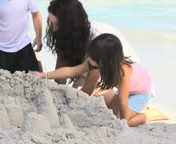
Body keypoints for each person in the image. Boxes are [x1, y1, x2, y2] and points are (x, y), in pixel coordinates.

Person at [36, 33, 168, 127]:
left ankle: (153, 114)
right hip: (126, 90)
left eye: (92, 56)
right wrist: (43, 75)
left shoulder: (123, 71)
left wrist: (125, 116)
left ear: (105, 61)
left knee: (125, 121)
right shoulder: (96, 62)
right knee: (110, 112)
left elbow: (123, 100)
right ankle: (139, 109)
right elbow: (70, 70)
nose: (88, 58)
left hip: (141, 91)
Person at [44, 0, 139, 87]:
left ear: (70, 25)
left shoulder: (98, 38)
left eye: (57, 24)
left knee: (78, 92)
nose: (54, 29)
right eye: (52, 24)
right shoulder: (71, 35)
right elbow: (62, 68)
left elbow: (90, 85)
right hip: (94, 69)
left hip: (120, 78)